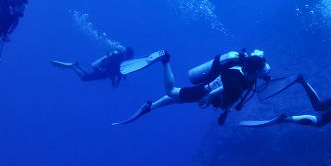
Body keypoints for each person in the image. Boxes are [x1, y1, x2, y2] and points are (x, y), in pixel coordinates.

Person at [115, 49, 271, 126]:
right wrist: (207, 100)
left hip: (205, 90)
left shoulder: (245, 76)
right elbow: (222, 90)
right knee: (171, 91)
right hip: (203, 92)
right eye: (263, 72)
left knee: (177, 99)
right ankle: (165, 59)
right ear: (255, 71)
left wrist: (225, 112)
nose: (264, 74)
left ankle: (151, 106)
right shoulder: (239, 78)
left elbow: (232, 95)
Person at [51, 47, 134, 86]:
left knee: (87, 75)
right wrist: (113, 80)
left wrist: (116, 81)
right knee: (84, 78)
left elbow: (121, 72)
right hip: (102, 70)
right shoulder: (116, 55)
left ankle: (77, 65)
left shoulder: (123, 60)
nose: (128, 58)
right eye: (128, 56)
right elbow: (107, 64)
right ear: (125, 53)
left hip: (104, 73)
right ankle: (73, 66)